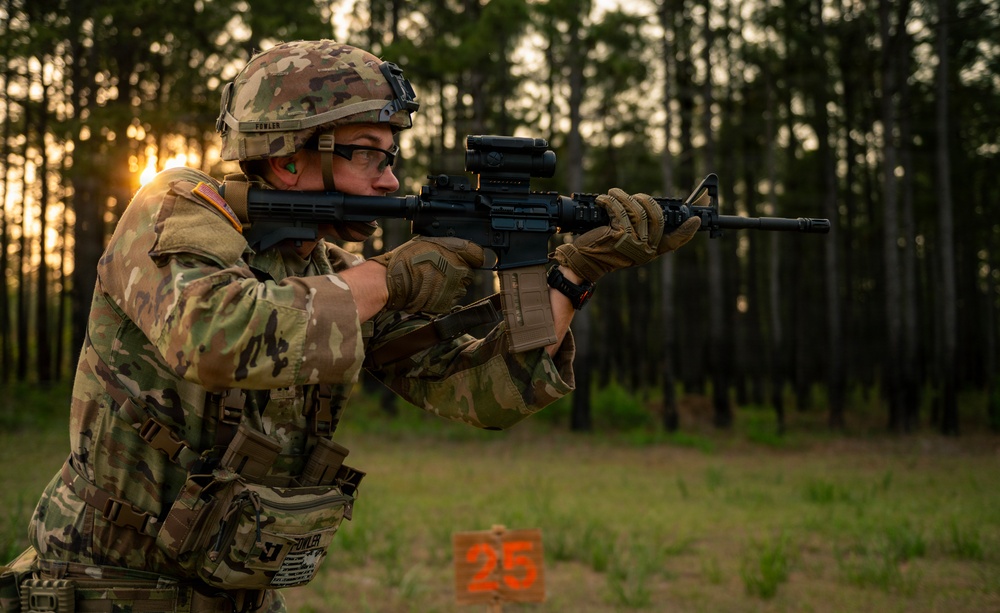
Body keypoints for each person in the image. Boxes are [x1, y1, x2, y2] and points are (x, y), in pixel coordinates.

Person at [0, 40, 699, 612]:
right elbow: (212, 335)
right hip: (100, 591)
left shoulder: (330, 269)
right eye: (370, 153)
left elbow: (482, 391)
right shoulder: (177, 206)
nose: (391, 179)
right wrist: (387, 277)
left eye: (391, 156)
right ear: (288, 154)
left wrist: (574, 271)